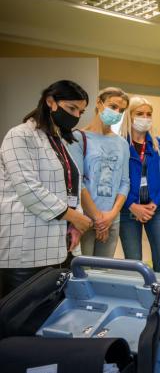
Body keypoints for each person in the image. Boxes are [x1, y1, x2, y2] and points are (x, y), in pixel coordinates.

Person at [0, 80, 93, 297]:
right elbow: (29, 188)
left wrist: (74, 224)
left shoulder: (59, 140)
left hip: (59, 244)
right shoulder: (20, 135)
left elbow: (70, 186)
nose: (76, 116)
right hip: (24, 247)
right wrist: (75, 217)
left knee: (54, 311)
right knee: (21, 314)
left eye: (80, 111)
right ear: (51, 102)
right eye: (71, 108)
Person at [118, 97, 160, 273]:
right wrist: (132, 205)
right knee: (134, 264)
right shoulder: (120, 144)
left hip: (156, 209)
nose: (145, 118)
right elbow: (116, 181)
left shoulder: (159, 144)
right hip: (128, 210)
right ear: (129, 116)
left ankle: (158, 290)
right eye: (140, 113)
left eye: (149, 114)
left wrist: (154, 203)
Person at [78, 87, 130, 258]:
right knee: (82, 270)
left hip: (112, 219)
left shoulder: (122, 144)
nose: (117, 113)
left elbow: (124, 182)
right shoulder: (79, 138)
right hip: (84, 219)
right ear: (99, 103)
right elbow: (78, 182)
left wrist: (111, 215)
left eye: (121, 110)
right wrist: (97, 217)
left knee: (104, 270)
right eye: (113, 106)